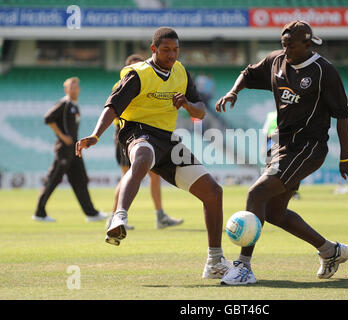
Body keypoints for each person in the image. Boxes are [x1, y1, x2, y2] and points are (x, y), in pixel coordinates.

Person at [76, 27, 229, 279]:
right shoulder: (138, 74)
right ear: (154, 49)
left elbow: (200, 111)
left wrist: (187, 104)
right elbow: (112, 107)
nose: (171, 55)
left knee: (213, 192)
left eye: (175, 50)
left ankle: (214, 261)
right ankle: (119, 218)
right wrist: (95, 135)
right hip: (136, 131)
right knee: (143, 157)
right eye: (166, 49)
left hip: (167, 140)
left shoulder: (181, 71)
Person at [216, 20, 348, 285]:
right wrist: (233, 91)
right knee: (274, 213)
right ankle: (330, 250)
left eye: (290, 45)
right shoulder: (276, 61)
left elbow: (343, 115)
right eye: (283, 44)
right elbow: (248, 73)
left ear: (307, 43)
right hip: (282, 146)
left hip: (309, 147)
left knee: (256, 193)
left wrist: (346, 156)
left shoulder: (323, 71)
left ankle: (243, 267)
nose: (285, 50)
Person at [108, 53, 184, 230]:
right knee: (128, 175)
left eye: (140, 65)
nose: (138, 71)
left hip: (147, 132)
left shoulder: (148, 80)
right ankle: (114, 217)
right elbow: (117, 110)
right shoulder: (122, 84)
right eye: (134, 66)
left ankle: (160, 216)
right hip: (126, 132)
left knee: (155, 175)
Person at [33, 77, 107, 223]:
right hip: (64, 149)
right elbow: (48, 118)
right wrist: (62, 136)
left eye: (76, 86)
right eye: (71, 87)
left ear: (79, 89)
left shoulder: (75, 106)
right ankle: (39, 213)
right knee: (53, 179)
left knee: (81, 180)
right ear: (66, 90)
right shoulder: (64, 104)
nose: (74, 89)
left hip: (74, 149)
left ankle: (91, 213)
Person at [262, 111, 300, 200]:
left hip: (279, 142)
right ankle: (278, 191)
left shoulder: (273, 115)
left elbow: (265, 133)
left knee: (275, 168)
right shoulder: (274, 115)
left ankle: (286, 191)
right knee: (275, 168)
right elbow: (266, 133)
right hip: (276, 142)